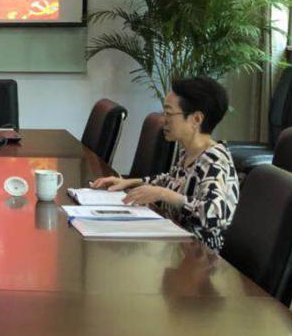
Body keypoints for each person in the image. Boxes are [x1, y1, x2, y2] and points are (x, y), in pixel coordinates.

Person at [91, 77, 239, 251]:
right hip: (175, 245)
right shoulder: (188, 152)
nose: (164, 120)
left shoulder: (214, 161)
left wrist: (163, 194)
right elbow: (169, 181)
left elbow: (215, 215)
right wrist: (129, 182)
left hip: (200, 255)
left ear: (196, 119)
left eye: (169, 113)